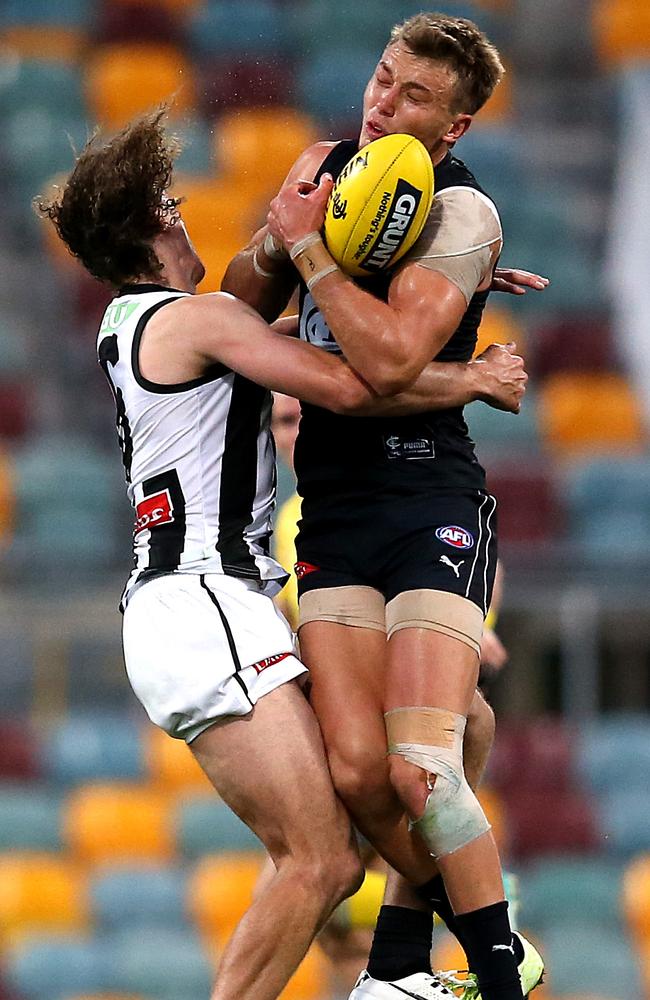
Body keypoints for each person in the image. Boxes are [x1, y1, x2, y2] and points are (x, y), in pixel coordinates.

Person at [36, 108, 528, 1000]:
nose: (188, 218)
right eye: (175, 207)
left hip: (203, 606)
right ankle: (471, 951)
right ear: (157, 223)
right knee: (318, 860)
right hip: (202, 599)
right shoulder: (192, 321)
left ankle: (411, 966)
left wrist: (448, 276)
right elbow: (350, 383)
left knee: (462, 733)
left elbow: (266, 281)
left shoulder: (138, 322)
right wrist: (473, 374)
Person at [222, 12, 547, 1000]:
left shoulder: (462, 217)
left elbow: (391, 360)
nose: (381, 102)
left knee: (420, 767)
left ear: (452, 129)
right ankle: (405, 968)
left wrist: (313, 256)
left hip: (426, 496)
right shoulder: (331, 170)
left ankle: (499, 969)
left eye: (411, 96)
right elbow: (240, 304)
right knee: (358, 772)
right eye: (379, 77)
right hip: (334, 509)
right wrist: (283, 243)